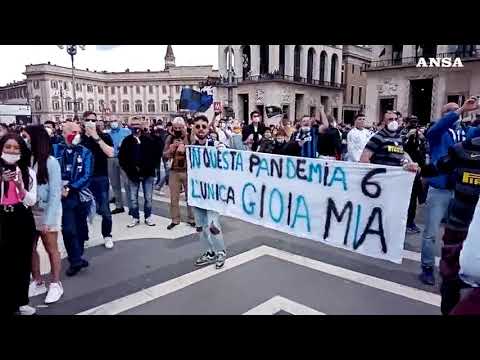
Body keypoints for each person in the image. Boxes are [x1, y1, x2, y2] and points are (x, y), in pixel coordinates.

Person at [418, 97, 478, 286]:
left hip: (460, 190)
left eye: (457, 109)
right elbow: (435, 129)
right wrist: (460, 109)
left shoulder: (467, 132)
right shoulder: (437, 132)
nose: (456, 112)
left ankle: (454, 269)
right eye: (450, 110)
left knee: (460, 233)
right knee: (431, 233)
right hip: (440, 189)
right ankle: (427, 268)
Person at [420, 134, 480, 315]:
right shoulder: (464, 148)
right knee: (450, 282)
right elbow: (437, 168)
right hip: (459, 229)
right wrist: (417, 169)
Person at [21, 126, 64, 304]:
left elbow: (55, 193)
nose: (24, 140)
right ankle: (37, 280)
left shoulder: (51, 162)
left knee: (50, 248)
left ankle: (55, 283)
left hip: (47, 211)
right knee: (29, 249)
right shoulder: (26, 160)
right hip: (30, 210)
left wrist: (48, 220)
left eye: (26, 137)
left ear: (36, 138)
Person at [0, 133, 37, 315]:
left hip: (21, 218)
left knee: (22, 261)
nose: (11, 151)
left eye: (16, 148)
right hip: (2, 218)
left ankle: (22, 301)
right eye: (8, 147)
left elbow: (31, 201)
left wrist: (21, 188)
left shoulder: (28, 172)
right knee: (4, 262)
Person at [52, 122, 93, 277]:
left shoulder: (85, 152)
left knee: (81, 227)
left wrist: (71, 187)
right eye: (73, 132)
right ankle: (75, 260)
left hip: (79, 194)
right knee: (68, 229)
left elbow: (87, 174)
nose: (77, 135)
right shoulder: (56, 149)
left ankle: (78, 255)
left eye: (79, 132)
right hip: (62, 196)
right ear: (64, 133)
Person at [190, 115, 227, 269]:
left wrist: (223, 151)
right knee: (200, 226)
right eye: (197, 126)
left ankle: (221, 253)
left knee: (213, 225)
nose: (200, 129)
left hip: (213, 194)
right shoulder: (190, 148)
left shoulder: (216, 145)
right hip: (197, 193)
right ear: (193, 128)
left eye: (203, 126)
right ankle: (209, 251)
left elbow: (228, 160)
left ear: (208, 128)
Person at [119, 116, 161, 228]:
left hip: (148, 174)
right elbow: (122, 159)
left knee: (148, 198)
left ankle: (148, 216)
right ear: (129, 126)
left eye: (138, 125)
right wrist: (129, 170)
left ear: (142, 126)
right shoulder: (127, 141)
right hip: (133, 174)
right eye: (133, 125)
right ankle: (135, 217)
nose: (136, 127)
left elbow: (157, 154)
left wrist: (150, 168)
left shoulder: (149, 139)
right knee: (133, 198)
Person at [81, 111, 115, 249]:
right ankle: (83, 236)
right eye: (88, 120)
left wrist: (96, 137)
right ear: (83, 122)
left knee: (105, 209)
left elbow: (110, 153)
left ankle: (107, 235)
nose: (91, 122)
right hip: (83, 179)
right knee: (82, 210)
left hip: (100, 177)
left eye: (93, 120)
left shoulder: (104, 136)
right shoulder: (80, 138)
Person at [163, 117, 195, 229]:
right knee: (174, 197)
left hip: (188, 170)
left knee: (190, 197)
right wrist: (171, 149)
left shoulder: (189, 136)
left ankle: (192, 218)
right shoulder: (170, 138)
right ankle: (175, 219)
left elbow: (194, 150)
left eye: (179, 128)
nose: (177, 130)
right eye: (175, 127)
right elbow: (164, 155)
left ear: (184, 127)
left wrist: (185, 144)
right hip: (174, 171)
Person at [403, 116, 427, 234]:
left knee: (416, 198)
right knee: (409, 199)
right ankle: (407, 223)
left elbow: (422, 151)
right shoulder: (402, 134)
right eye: (411, 122)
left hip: (418, 170)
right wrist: (407, 136)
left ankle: (411, 222)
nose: (414, 124)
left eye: (416, 122)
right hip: (407, 170)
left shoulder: (420, 135)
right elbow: (402, 149)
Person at [107, 117, 132, 214]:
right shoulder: (108, 134)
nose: (113, 123)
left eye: (115, 121)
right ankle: (119, 205)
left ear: (119, 122)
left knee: (127, 183)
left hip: (124, 158)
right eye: (111, 121)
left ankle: (131, 207)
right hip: (111, 158)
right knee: (114, 183)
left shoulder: (126, 132)